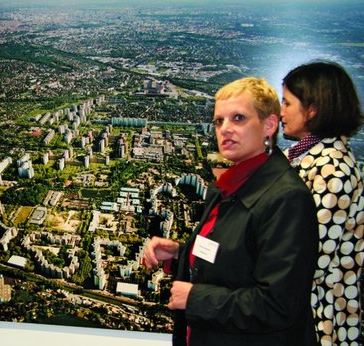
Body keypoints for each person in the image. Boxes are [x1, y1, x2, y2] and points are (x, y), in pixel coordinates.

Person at [143, 77, 319, 345]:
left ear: (269, 125)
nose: (225, 129)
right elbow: (233, 264)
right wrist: (181, 254)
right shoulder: (227, 186)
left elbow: (278, 305)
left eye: (238, 118)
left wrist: (195, 299)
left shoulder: (287, 199)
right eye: (219, 121)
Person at [281, 61, 364, 345]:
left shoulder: (333, 172)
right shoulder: (309, 157)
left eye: (287, 103)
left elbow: (311, 258)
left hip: (317, 321)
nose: (281, 112)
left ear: (312, 109)